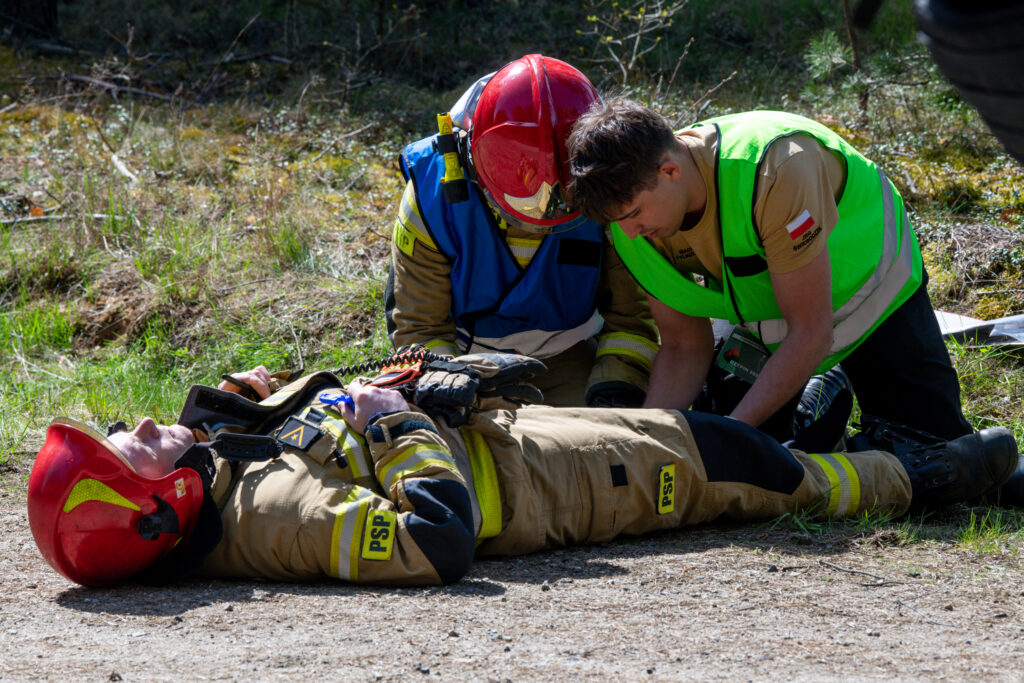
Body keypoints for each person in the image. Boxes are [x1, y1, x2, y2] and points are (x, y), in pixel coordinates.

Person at [27, 354, 1017, 588]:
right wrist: (402, 421)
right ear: (159, 503)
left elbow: (317, 427)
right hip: (554, 490)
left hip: (518, 442)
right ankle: (921, 480)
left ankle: (843, 449)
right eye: (134, 445)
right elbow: (434, 537)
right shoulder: (275, 512)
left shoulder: (231, 472)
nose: (147, 420)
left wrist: (250, 400)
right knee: (738, 457)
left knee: (711, 431)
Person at [565, 98, 975, 451]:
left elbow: (811, 333)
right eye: (620, 222)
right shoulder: (629, 222)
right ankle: (819, 398)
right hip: (770, 316)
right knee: (742, 444)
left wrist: (734, 434)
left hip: (871, 296)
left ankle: (836, 390)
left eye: (635, 213)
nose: (631, 232)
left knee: (934, 450)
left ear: (670, 171)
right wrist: (647, 441)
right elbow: (681, 345)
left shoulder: (776, 168)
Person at [385, 54, 659, 408]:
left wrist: (616, 389)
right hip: (465, 367)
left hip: (571, 354)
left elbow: (632, 319)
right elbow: (421, 328)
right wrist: (443, 379)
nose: (536, 222)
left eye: (563, 202)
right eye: (522, 202)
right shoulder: (431, 197)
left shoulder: (611, 189)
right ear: (475, 164)